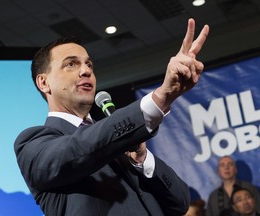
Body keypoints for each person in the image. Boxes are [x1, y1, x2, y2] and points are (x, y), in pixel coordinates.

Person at [14, 18, 209, 216]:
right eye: (71, 64)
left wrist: (143, 160)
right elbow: (79, 148)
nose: (86, 71)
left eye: (89, 64)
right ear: (44, 82)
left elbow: (181, 203)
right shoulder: (32, 144)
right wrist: (159, 98)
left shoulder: (118, 138)